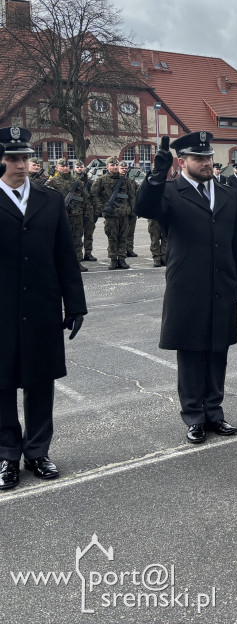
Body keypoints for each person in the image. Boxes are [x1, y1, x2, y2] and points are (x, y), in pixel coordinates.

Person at [135, 132, 237, 443]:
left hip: (222, 283)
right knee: (190, 352)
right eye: (198, 158)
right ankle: (194, 416)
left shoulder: (228, 194)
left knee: (217, 350)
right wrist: (157, 174)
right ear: (182, 161)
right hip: (187, 284)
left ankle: (214, 411)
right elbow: (144, 208)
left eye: (208, 157)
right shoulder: (170, 192)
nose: (206, 163)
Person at [0, 127, 87, 490]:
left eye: (25, 157)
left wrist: (75, 304)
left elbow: (65, 256)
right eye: (13, 158)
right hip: (2, 309)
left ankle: (38, 451)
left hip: (41, 306)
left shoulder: (50, 199)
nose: (22, 165)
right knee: (2, 383)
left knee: (40, 381)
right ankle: (7, 455)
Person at [93, 157, 137, 270]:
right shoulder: (102, 180)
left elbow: (132, 195)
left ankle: (122, 259)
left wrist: (131, 209)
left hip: (124, 213)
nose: (115, 167)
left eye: (116, 165)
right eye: (112, 165)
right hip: (111, 214)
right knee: (112, 237)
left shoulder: (125, 180)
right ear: (107, 166)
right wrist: (102, 207)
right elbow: (94, 194)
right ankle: (113, 259)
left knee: (123, 237)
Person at [77, 160, 98, 263]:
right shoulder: (73, 181)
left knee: (89, 233)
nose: (80, 169)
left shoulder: (90, 182)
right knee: (77, 234)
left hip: (89, 211)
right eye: (77, 167)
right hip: (77, 211)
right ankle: (78, 254)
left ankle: (88, 253)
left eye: (81, 167)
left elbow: (94, 196)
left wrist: (96, 211)